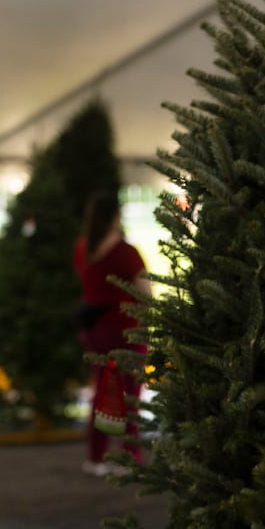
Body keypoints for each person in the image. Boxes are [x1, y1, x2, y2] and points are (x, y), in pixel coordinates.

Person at [73, 191, 150, 475]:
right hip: (126, 332)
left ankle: (96, 457)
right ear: (116, 216)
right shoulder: (126, 253)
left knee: (101, 396)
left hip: (94, 332)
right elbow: (145, 292)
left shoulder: (83, 249)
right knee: (129, 395)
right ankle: (129, 457)